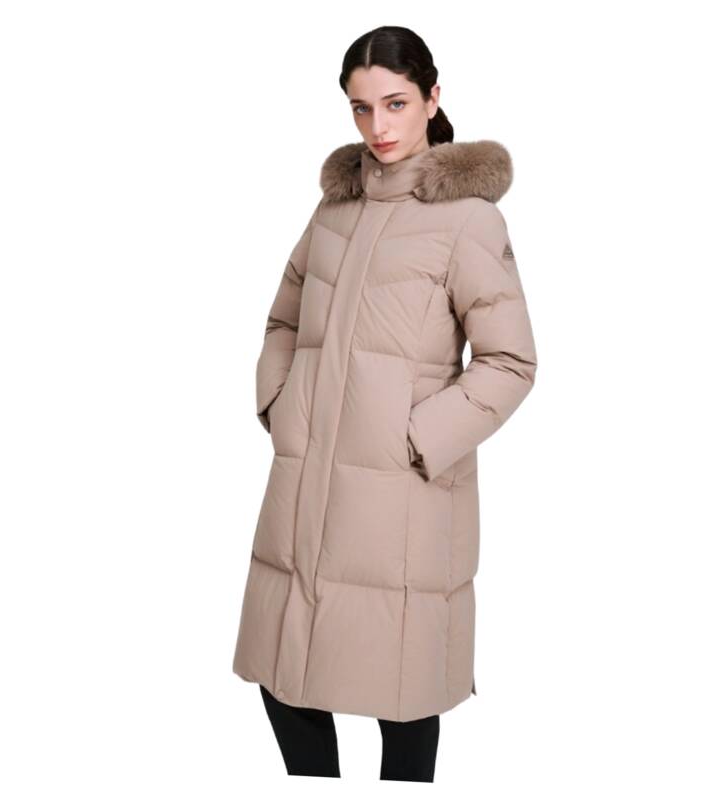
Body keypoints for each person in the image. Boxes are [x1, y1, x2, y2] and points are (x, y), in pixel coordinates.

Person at [233, 25, 537, 782]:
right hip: (307, 481)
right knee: (286, 680)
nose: (379, 126)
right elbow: (283, 321)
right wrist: (282, 404)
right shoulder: (333, 211)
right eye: (361, 108)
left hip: (403, 497)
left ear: (433, 99)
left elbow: (510, 361)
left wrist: (419, 438)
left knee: (400, 697)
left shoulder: (469, 220)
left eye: (396, 103)